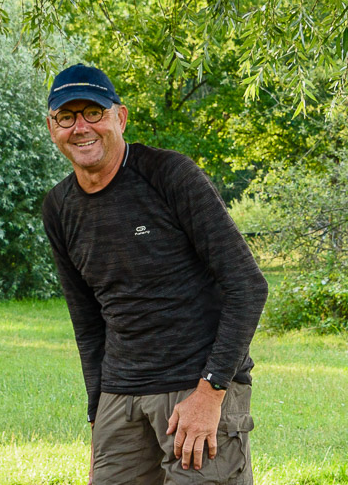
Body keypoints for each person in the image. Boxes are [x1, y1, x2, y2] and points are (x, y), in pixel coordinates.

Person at [41, 63, 268, 484]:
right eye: (66, 117)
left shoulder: (169, 175)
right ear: (52, 127)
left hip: (195, 386)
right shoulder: (59, 207)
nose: (80, 127)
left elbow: (247, 285)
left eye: (93, 113)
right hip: (120, 397)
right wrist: (98, 419)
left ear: (120, 117)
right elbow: (87, 324)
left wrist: (211, 392)